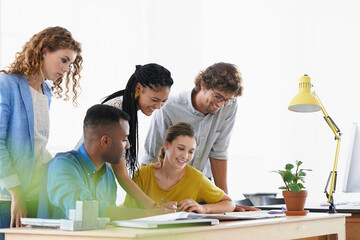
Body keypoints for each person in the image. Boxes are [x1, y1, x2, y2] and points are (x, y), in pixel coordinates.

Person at [141, 62, 257, 212]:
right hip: (169, 189)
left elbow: (219, 152)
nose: (221, 104)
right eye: (218, 96)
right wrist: (147, 205)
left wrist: (225, 203)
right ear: (203, 84)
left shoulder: (229, 106)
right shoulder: (169, 108)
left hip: (201, 187)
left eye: (227, 100)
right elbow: (151, 156)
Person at [0, 26, 83, 233]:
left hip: (37, 192)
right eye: (64, 60)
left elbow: (37, 145)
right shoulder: (6, 85)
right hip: (9, 196)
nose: (66, 69)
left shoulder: (46, 92)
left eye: (70, 64)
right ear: (44, 51)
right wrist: (16, 193)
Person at [38, 105, 172, 220]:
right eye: (124, 139)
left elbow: (107, 219)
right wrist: (148, 214)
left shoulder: (107, 175)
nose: (128, 146)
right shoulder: (62, 166)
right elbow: (85, 211)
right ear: (105, 141)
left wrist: (157, 212)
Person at [76, 63, 173, 209]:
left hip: (98, 180)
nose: (159, 106)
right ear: (139, 88)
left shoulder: (126, 106)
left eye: (163, 101)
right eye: (155, 100)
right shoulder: (117, 111)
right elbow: (122, 175)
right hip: (85, 180)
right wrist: (154, 208)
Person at [124, 122, 235, 213]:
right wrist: (158, 211)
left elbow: (229, 203)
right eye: (181, 148)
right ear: (166, 145)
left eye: (191, 151)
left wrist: (203, 208)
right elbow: (127, 212)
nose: (185, 156)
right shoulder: (142, 175)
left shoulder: (196, 178)